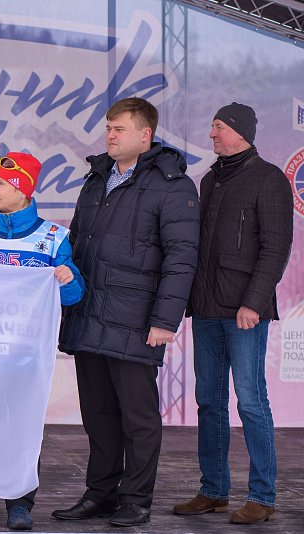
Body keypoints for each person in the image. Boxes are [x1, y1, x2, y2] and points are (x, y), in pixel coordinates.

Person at [53, 97, 200, 527]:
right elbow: (76, 243)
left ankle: (135, 499)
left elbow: (181, 258)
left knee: (138, 418)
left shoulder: (173, 185)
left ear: (145, 134)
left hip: (135, 320)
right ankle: (100, 493)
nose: (110, 136)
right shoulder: (96, 178)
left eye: (119, 129)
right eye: (108, 128)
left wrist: (164, 320)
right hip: (89, 314)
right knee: (98, 414)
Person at [173, 103, 293, 525]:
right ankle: (213, 490)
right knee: (209, 401)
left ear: (241, 132)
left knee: (252, 401)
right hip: (207, 309)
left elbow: (276, 247)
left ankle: (262, 496)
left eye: (219, 127)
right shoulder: (209, 180)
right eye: (212, 126)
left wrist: (253, 303)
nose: (212, 134)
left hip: (245, 312)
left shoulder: (269, 178)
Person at [0, 152, 84, 530]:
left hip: (26, 354)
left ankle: (19, 502)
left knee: (23, 428)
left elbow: (74, 296)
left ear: (23, 190)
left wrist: (67, 279)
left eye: (1, 184)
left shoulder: (53, 237)